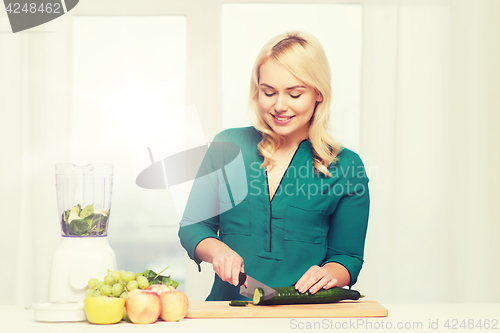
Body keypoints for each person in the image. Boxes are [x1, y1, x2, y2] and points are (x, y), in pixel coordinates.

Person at [178, 31, 370, 301]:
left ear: (318, 93)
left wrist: (329, 273)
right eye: (269, 92)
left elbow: (347, 256)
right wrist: (219, 251)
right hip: (227, 313)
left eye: (294, 94)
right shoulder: (227, 146)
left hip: (306, 316)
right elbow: (193, 226)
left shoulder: (346, 167)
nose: (280, 106)